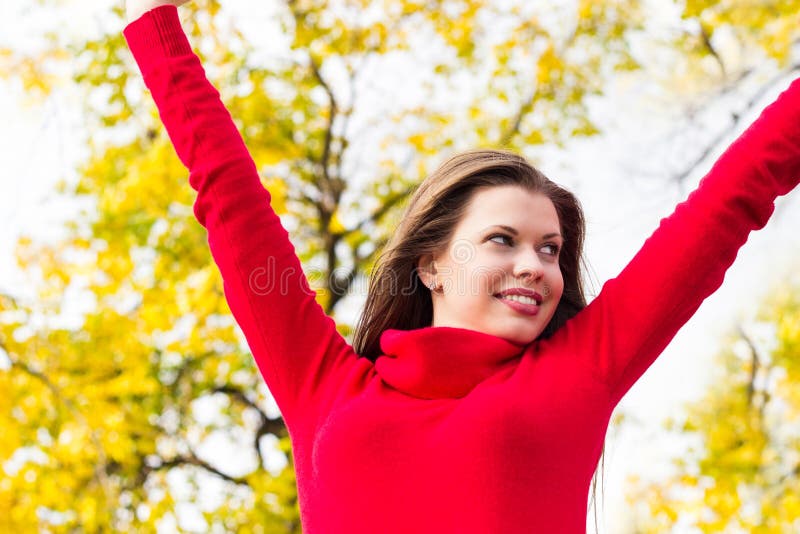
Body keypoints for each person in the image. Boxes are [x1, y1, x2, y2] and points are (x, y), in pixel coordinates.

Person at [123, 1, 800, 532]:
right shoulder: (324, 388)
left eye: (551, 249)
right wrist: (154, 29)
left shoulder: (576, 374)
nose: (536, 265)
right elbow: (235, 210)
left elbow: (728, 202)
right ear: (431, 266)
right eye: (503, 240)